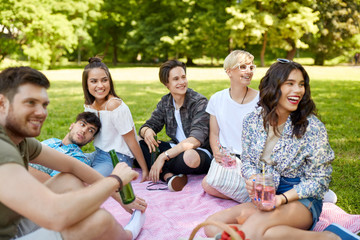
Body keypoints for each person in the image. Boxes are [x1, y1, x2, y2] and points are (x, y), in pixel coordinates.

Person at [204, 59, 359, 240]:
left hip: (299, 199)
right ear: (274, 87)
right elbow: (247, 161)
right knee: (213, 225)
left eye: (301, 84)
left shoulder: (312, 127)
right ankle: (330, 238)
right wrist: (253, 179)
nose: (298, 90)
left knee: (251, 231)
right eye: (290, 84)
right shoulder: (252, 121)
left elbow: (320, 180)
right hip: (267, 196)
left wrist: (281, 199)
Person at [0, 66, 147, 240]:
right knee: (99, 221)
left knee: (70, 179)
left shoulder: (20, 140)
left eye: (44, 104)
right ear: (2, 103)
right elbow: (56, 215)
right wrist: (115, 181)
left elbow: (71, 165)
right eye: (30, 102)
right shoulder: (3, 150)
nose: (41, 112)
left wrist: (119, 196)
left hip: (14, 222)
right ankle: (126, 236)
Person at [139, 59, 212, 191]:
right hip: (176, 148)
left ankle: (164, 172)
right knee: (141, 143)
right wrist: (147, 131)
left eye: (183, 77)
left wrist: (163, 156)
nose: (182, 82)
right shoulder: (166, 102)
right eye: (176, 79)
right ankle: (170, 176)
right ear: (166, 84)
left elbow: (195, 140)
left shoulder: (199, 102)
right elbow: (149, 125)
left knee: (190, 157)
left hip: (199, 152)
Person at [201, 50, 259, 200]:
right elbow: (214, 133)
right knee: (207, 184)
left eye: (251, 67)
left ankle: (253, 194)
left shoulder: (261, 100)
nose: (249, 71)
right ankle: (251, 197)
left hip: (252, 160)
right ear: (229, 72)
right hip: (229, 158)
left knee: (218, 184)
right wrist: (216, 152)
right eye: (243, 67)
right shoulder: (217, 99)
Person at [82, 57, 149, 180]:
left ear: (110, 82)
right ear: (86, 84)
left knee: (91, 181)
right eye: (93, 81)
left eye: (104, 80)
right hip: (98, 153)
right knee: (68, 168)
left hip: (118, 158)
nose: (100, 85)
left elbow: (132, 140)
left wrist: (144, 169)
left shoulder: (114, 105)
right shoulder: (89, 106)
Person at [29, 112, 101, 182]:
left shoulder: (79, 158)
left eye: (90, 130)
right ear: (72, 126)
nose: (84, 130)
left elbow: (53, 183)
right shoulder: (52, 141)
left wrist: (20, 166)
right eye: (82, 124)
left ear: (91, 140)